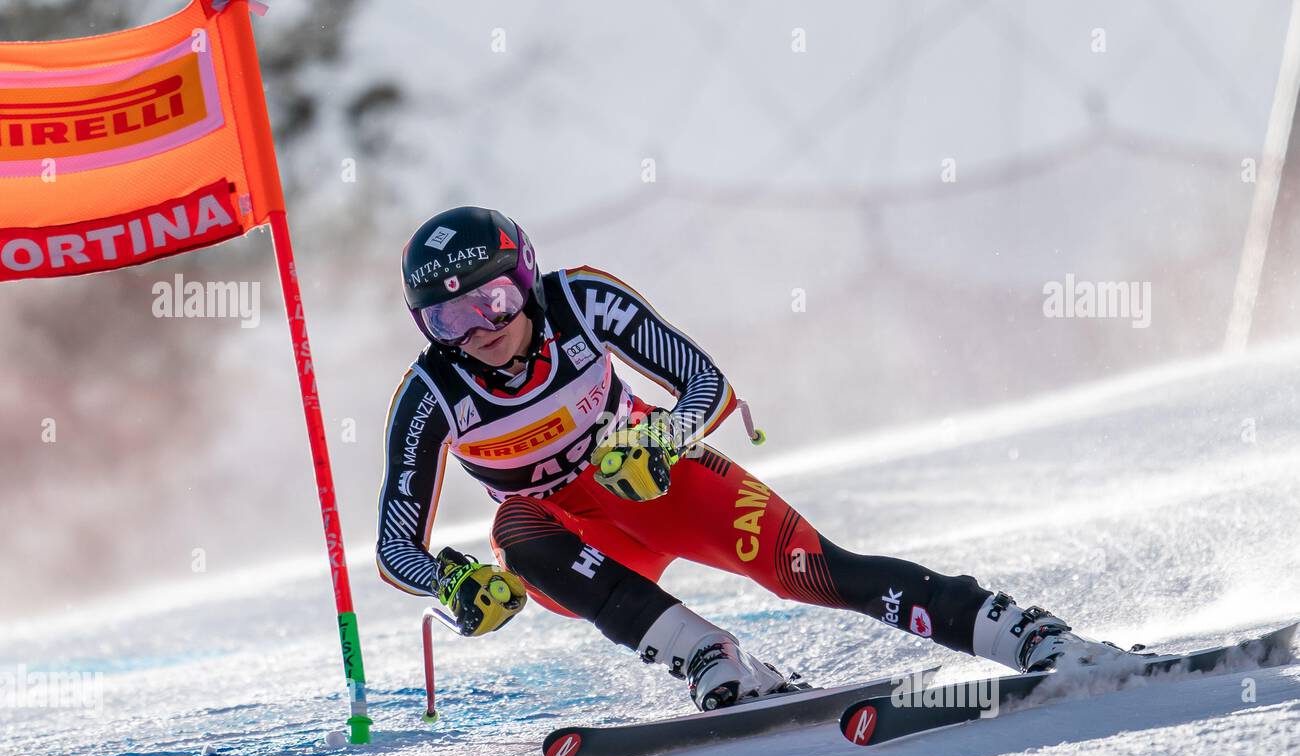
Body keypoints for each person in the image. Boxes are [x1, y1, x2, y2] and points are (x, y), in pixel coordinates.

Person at [376, 206, 1139, 711]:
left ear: (525, 281)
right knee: (516, 528)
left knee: (808, 571)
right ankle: (711, 658)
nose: (479, 330)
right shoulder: (430, 391)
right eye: (450, 316)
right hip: (573, 543)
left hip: (648, 483)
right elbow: (392, 547)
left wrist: (664, 438)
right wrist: (455, 581)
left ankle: (1025, 635)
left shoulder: (580, 300)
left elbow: (706, 383)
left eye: (494, 302)